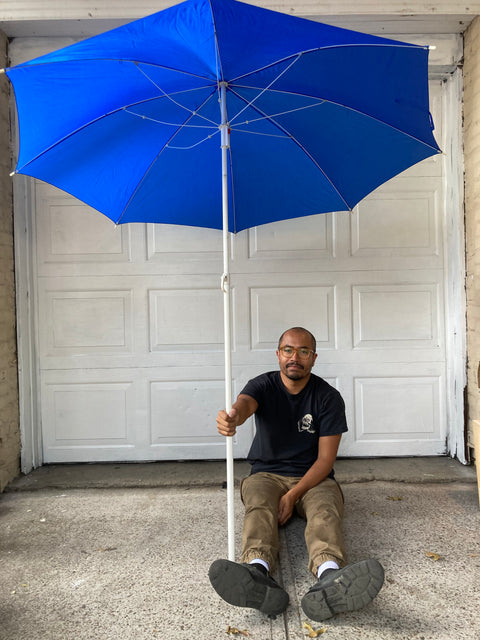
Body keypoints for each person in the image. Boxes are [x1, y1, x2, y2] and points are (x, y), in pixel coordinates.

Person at [208, 327, 384, 621]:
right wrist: (232, 418)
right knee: (260, 506)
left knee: (325, 512)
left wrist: (293, 495)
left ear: (313, 358)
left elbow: (325, 460)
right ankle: (257, 572)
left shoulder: (328, 398)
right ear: (278, 355)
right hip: (266, 474)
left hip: (314, 478)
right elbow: (243, 406)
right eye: (288, 350)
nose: (295, 357)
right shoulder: (262, 386)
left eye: (303, 352)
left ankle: (330, 577)